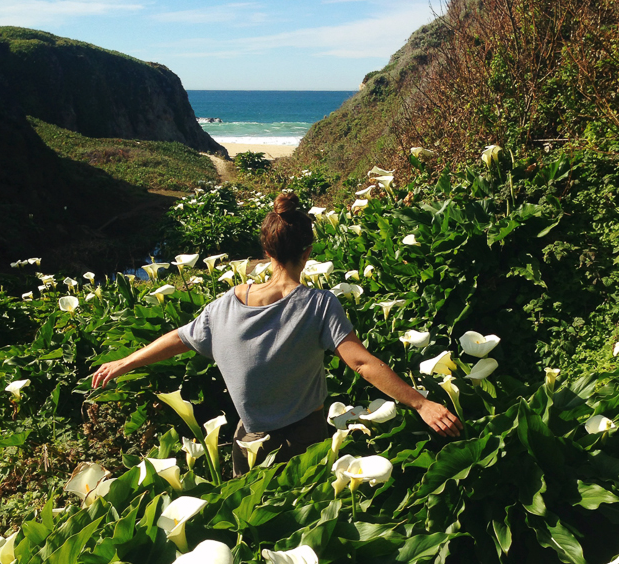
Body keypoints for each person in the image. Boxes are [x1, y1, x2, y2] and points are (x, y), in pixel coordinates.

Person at [91, 193, 462, 476]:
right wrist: (421, 403)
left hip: (247, 442)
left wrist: (125, 361)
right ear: (309, 251)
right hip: (303, 442)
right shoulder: (318, 304)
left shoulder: (226, 304)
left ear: (265, 250)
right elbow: (362, 363)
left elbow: (181, 338)